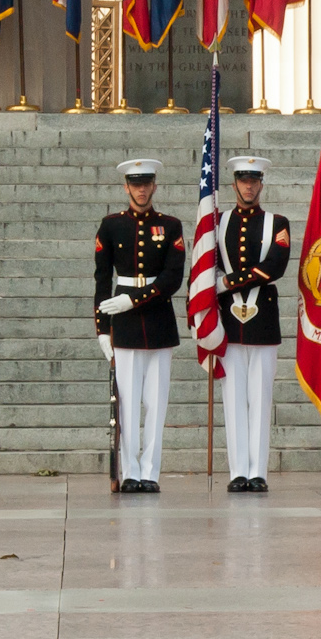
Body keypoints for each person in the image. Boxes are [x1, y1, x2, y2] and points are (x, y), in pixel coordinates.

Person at [95, 159, 184, 494]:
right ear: (126, 187)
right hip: (125, 327)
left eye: (147, 183)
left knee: (156, 404)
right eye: (136, 184)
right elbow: (102, 281)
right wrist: (102, 329)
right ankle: (130, 471)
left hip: (157, 319)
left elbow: (173, 277)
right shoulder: (111, 226)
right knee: (128, 404)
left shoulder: (170, 226)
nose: (142, 189)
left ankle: (151, 472)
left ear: (154, 186)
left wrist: (133, 299)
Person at [215, 156, 290, 495]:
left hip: (261, 317)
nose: (249, 186)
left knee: (260, 398)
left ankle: (257, 471)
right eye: (243, 180)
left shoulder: (278, 222)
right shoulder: (217, 221)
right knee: (233, 398)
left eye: (254, 180)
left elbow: (276, 264)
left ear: (262, 184)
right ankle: (237, 470)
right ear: (234, 184)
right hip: (228, 321)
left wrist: (228, 282)